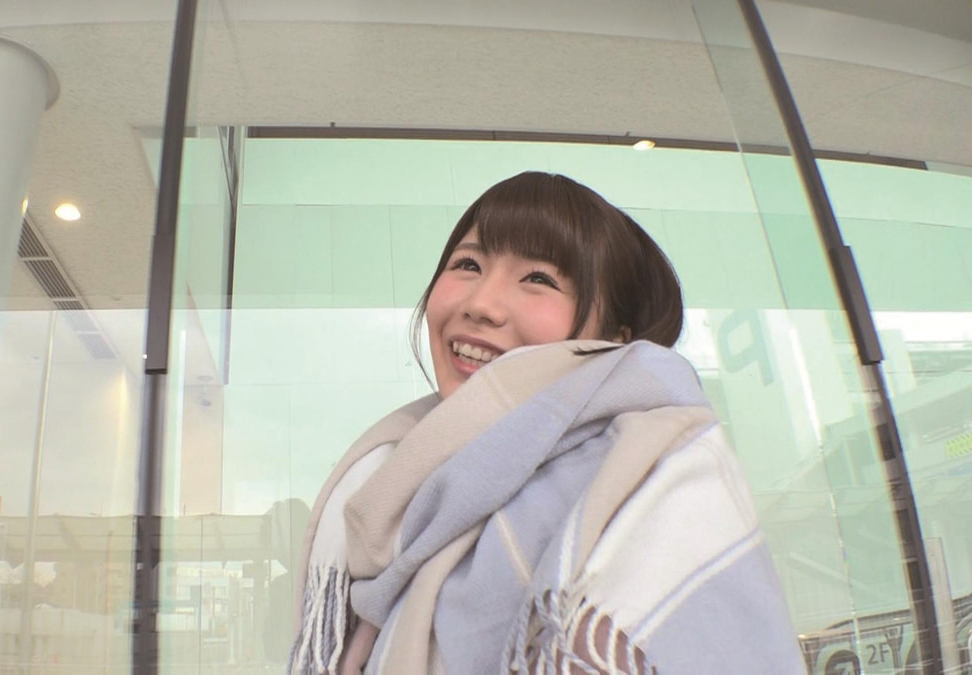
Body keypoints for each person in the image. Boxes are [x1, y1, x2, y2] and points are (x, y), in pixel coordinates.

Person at [288, 171, 802, 674]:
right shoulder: (395, 472)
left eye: (538, 279)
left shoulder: (658, 472)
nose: (481, 304)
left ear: (614, 337)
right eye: (468, 264)